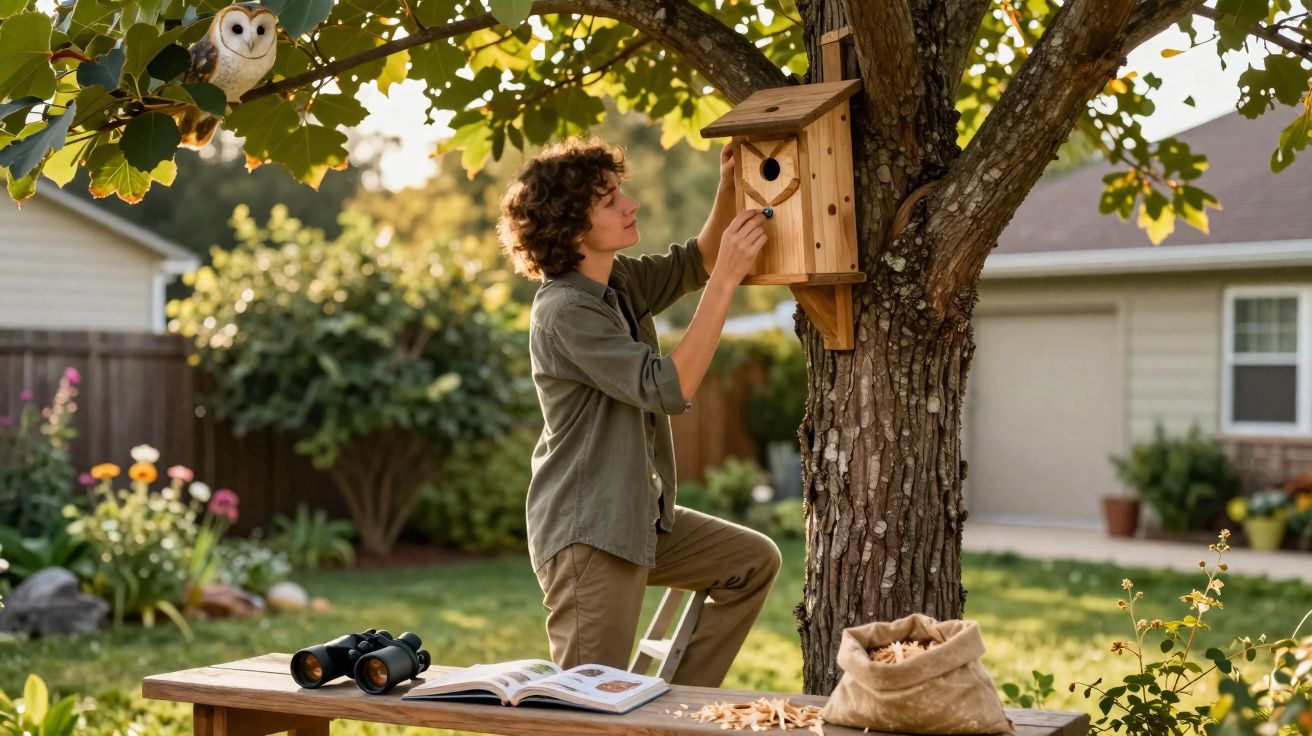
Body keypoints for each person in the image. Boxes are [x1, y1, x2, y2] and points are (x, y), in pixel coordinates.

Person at [497, 135, 782, 688]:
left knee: (749, 563)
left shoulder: (616, 283)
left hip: (637, 517)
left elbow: (695, 260)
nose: (631, 205)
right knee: (585, 705)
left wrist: (728, 187)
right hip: (590, 532)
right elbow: (666, 386)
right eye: (610, 201)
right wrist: (728, 278)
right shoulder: (564, 311)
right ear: (573, 227)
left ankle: (671, 712)